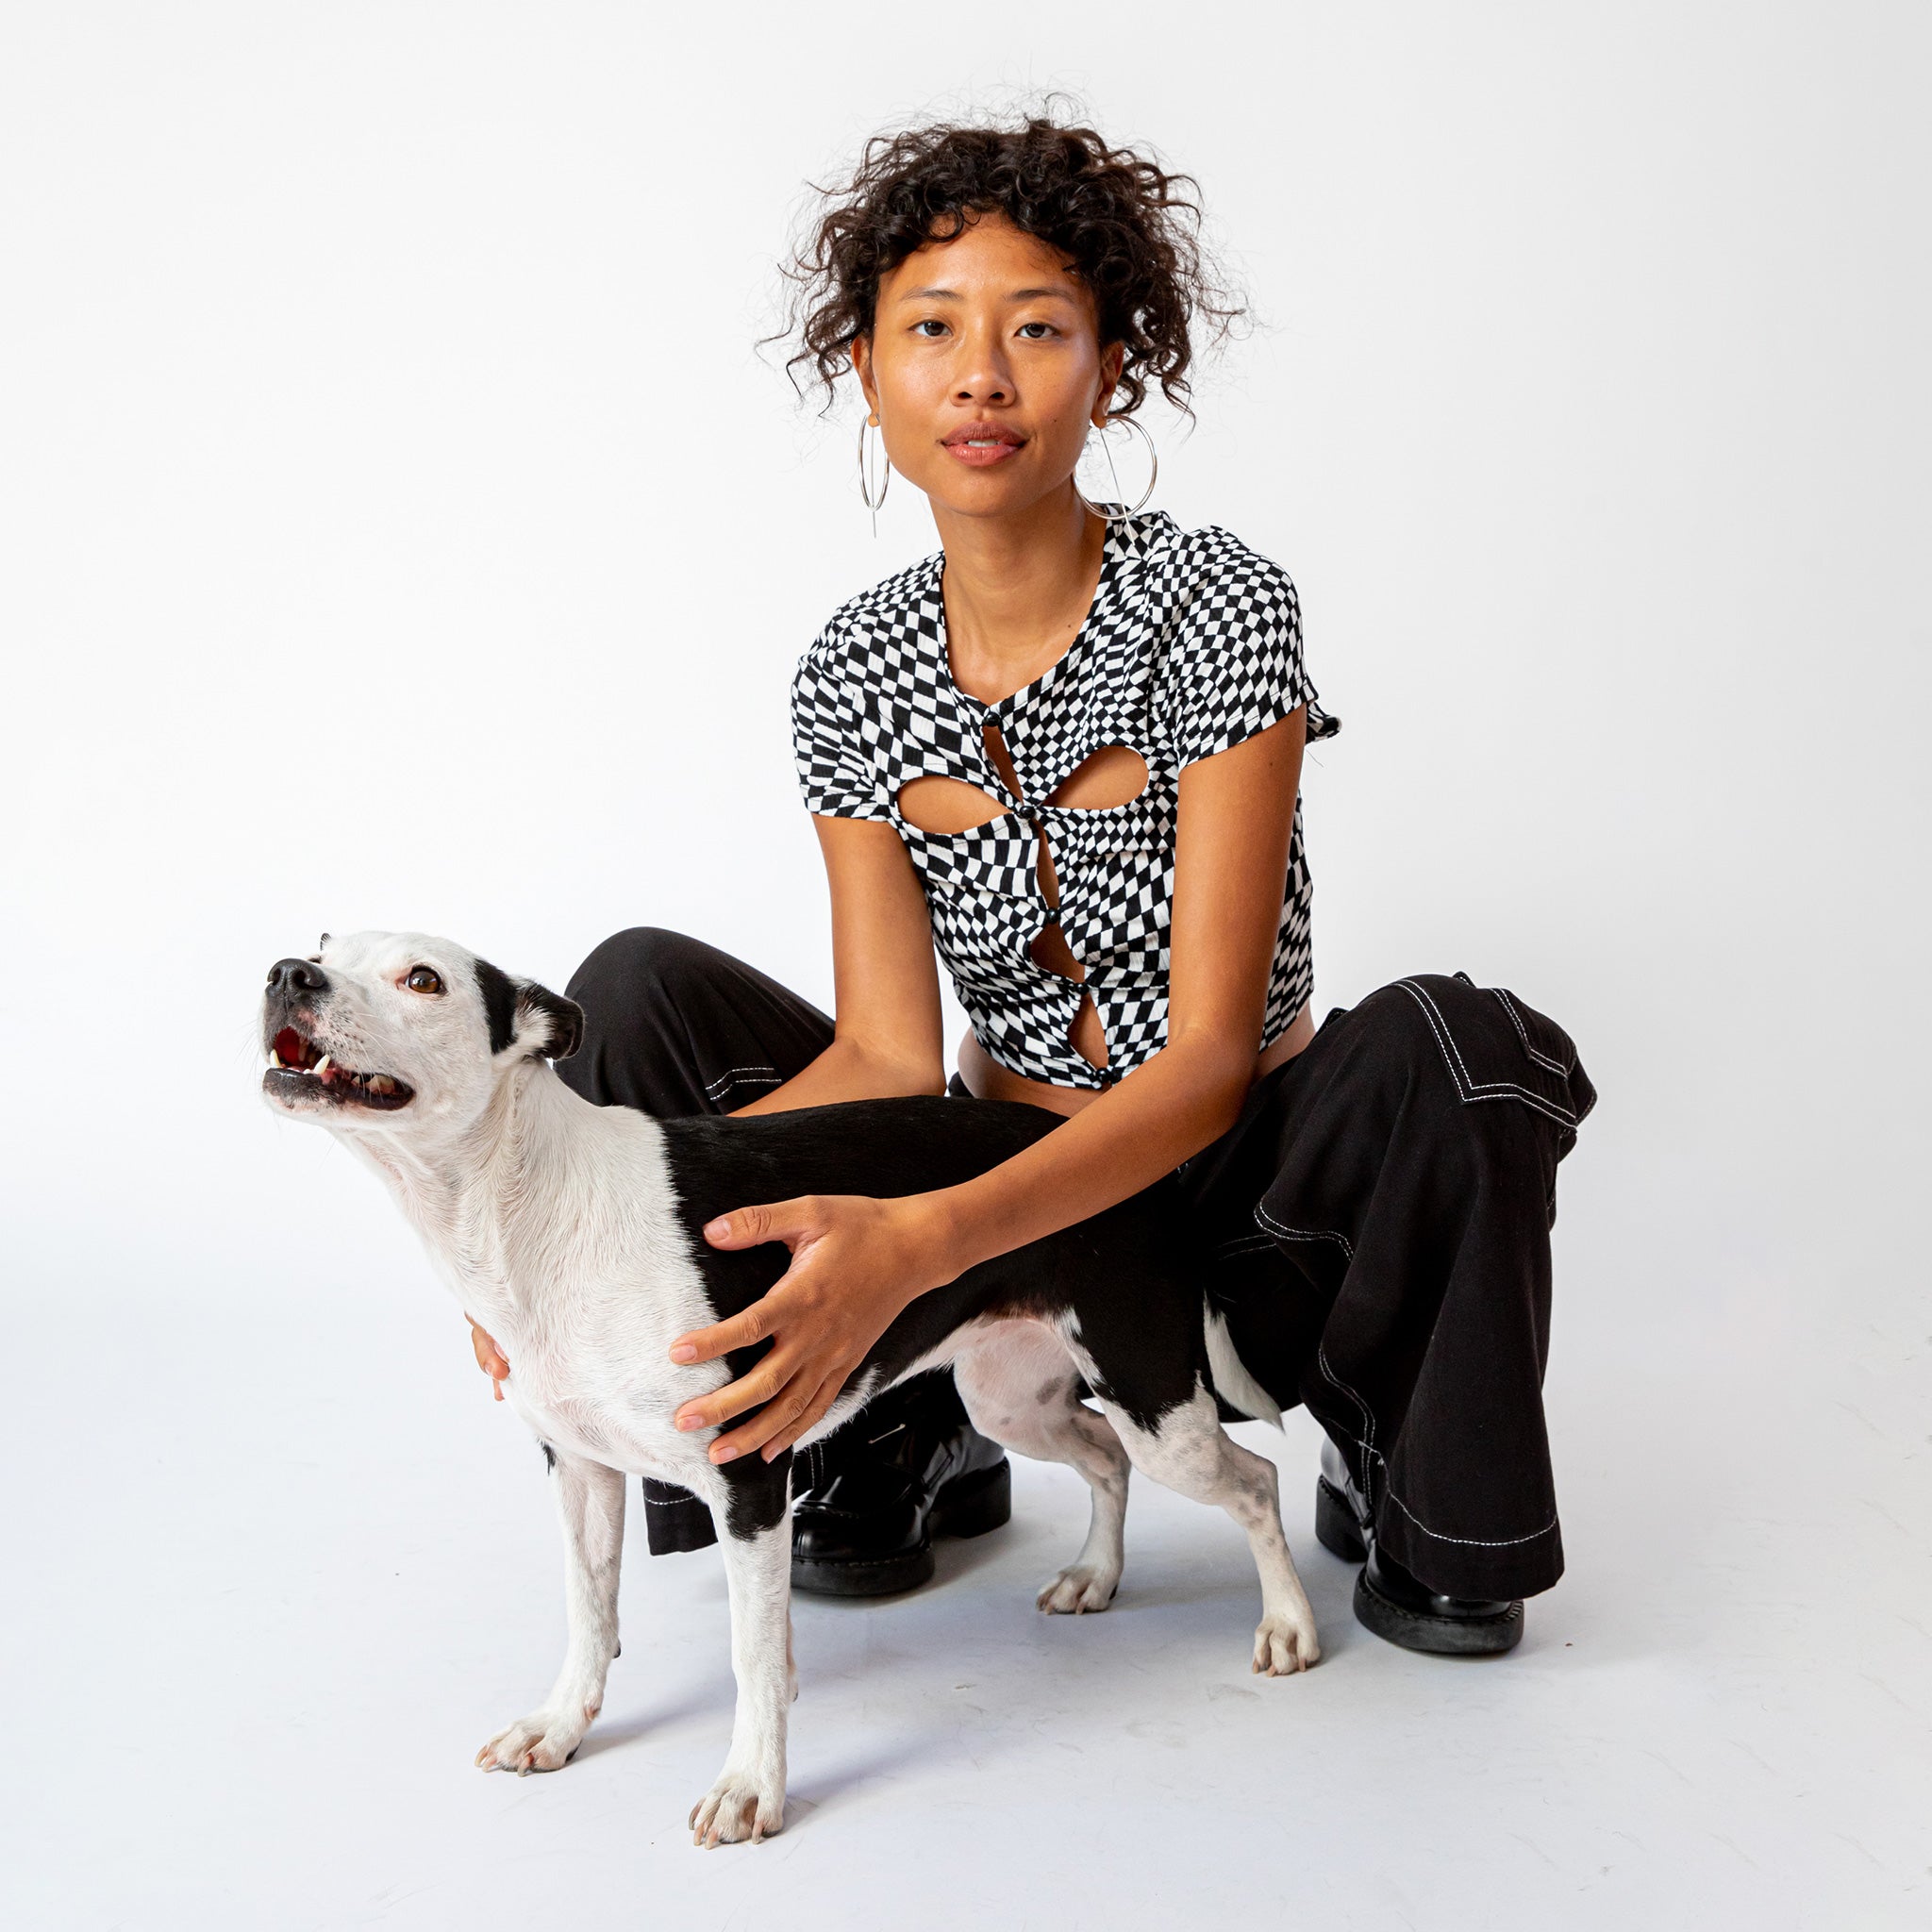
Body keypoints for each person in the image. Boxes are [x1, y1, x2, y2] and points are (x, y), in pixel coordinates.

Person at [468, 114, 1593, 1654]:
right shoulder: (853, 670)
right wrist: (561, 1233)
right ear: (867, 373)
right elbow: (881, 1057)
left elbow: (1204, 1062)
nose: (980, 376)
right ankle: (878, 1432)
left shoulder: (1218, 606)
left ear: (1110, 369)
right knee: (636, 994)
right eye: (930, 330)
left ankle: (1401, 1445)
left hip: (1230, 1198)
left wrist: (931, 1242)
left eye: (1037, 330)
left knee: (1461, 1050)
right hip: (991, 1182)